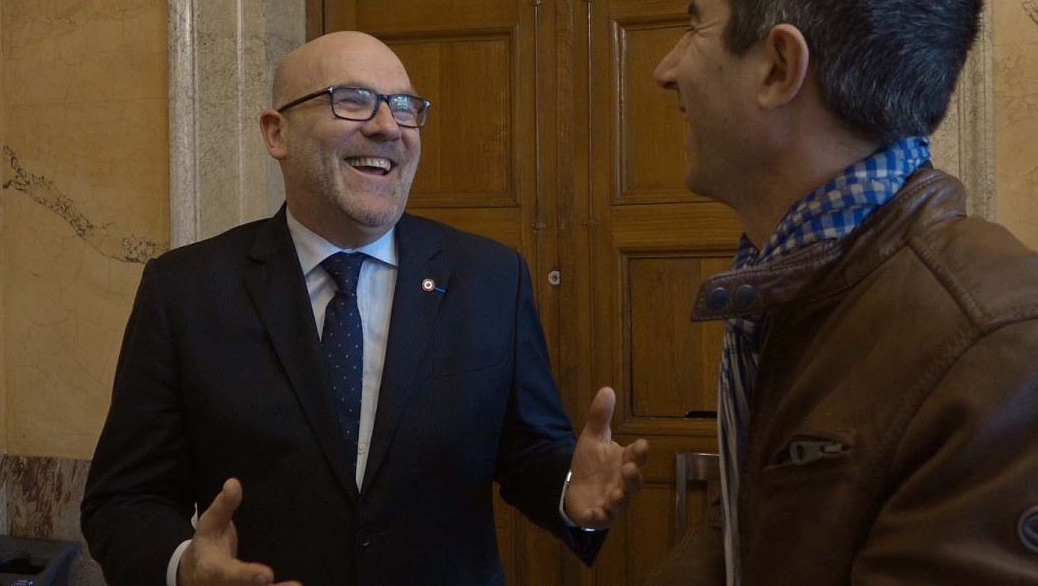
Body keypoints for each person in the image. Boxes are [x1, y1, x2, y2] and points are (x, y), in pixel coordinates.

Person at [645, 0, 1038, 583]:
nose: (664, 69)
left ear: (778, 67)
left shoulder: (1021, 357)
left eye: (695, 25)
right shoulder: (799, 286)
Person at [81, 31, 649, 586]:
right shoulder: (185, 290)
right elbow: (125, 498)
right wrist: (183, 565)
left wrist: (569, 491)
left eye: (405, 108)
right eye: (351, 101)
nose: (386, 127)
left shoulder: (491, 278)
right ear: (277, 133)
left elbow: (530, 452)